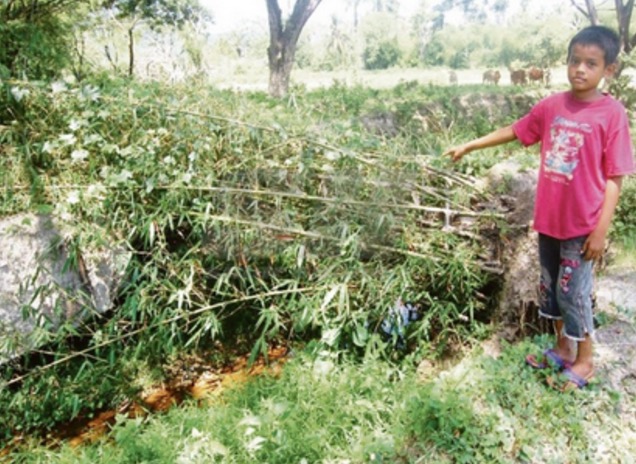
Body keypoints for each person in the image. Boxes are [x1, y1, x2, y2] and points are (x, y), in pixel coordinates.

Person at [444, 25, 635, 391]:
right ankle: (563, 349)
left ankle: (586, 360)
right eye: (574, 60)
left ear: (608, 70)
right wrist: (469, 145)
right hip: (549, 221)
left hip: (583, 225)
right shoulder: (552, 106)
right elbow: (516, 130)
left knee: (574, 293)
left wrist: (601, 231)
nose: (580, 69)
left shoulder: (612, 114)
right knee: (551, 289)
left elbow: (615, 177)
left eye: (591, 63)